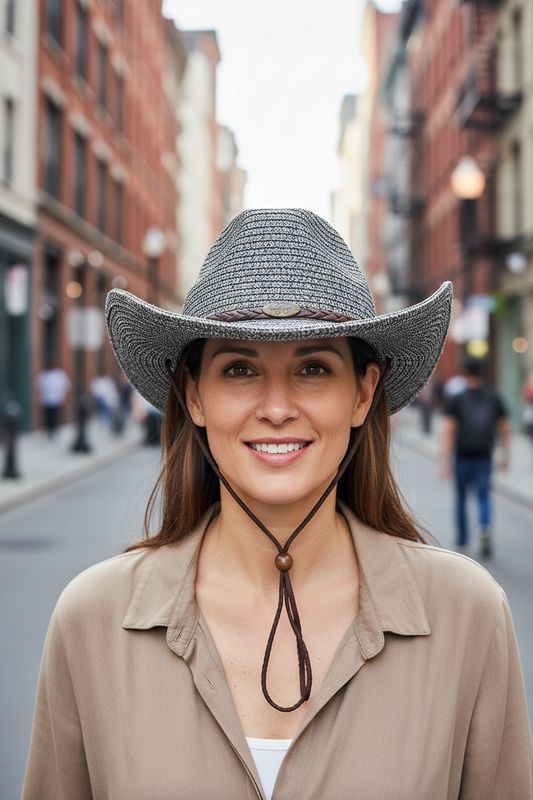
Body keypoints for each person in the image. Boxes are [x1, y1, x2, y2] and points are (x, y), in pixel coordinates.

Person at [22, 210, 532, 799]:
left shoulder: (468, 616)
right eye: (238, 369)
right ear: (193, 396)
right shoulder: (92, 620)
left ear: (363, 394)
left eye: (314, 368)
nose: (277, 407)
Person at [440, 358, 510, 557]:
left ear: (465, 374)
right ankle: (484, 527)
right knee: (483, 495)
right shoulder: (492, 396)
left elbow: (449, 430)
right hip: (484, 455)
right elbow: (504, 427)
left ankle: (462, 539)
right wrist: (506, 453)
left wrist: (444, 460)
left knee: (461, 497)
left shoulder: (458, 398)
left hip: (462, 456)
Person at [34, 363, 71, 437]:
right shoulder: (44, 375)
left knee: (54, 415)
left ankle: (53, 429)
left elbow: (66, 385)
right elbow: (38, 386)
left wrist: (61, 394)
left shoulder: (58, 374)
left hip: (55, 399)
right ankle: (50, 430)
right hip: (48, 399)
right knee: (49, 415)